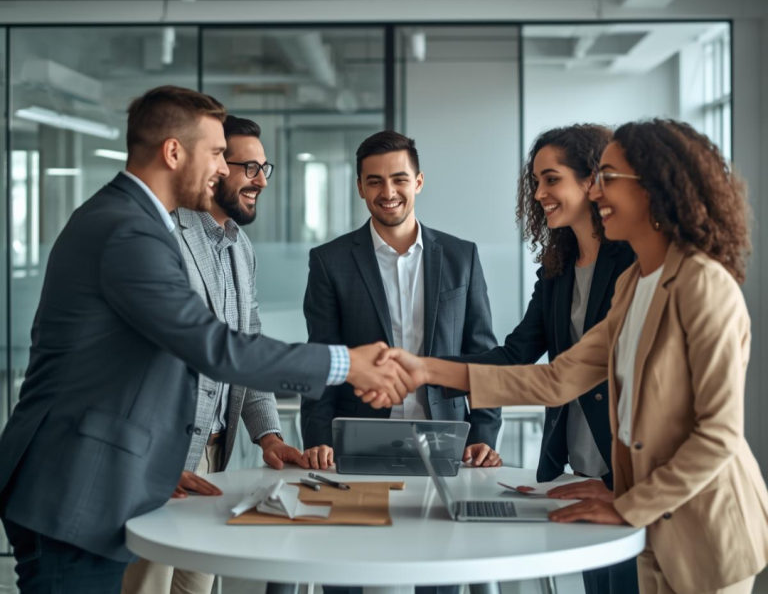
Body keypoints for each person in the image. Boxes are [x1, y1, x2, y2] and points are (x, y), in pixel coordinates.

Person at [0, 86, 414, 594]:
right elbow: (212, 346)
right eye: (218, 154)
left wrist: (262, 435)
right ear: (174, 152)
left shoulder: (142, 225)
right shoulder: (129, 232)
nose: (224, 169)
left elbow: (220, 342)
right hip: (78, 489)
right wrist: (345, 365)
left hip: (114, 475)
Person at [370, 120, 768, 594]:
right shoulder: (633, 285)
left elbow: (717, 437)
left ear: (654, 187)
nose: (598, 192)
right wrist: (423, 369)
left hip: (704, 530)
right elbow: (557, 379)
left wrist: (627, 503)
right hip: (645, 530)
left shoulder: (703, 284)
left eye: (608, 178)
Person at [122, 114, 318, 594]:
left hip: (212, 454)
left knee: (197, 586)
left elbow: (246, 346)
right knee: (148, 583)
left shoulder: (240, 247)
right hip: (164, 456)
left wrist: (269, 435)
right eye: (247, 167)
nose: (261, 180)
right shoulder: (168, 234)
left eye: (264, 167)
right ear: (215, 167)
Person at [453, 124, 637, 594]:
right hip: (579, 468)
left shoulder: (635, 264)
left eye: (550, 179)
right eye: (535, 182)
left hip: (630, 474)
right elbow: (516, 354)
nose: (538, 193)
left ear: (591, 179)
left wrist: (426, 372)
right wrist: (424, 371)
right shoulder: (556, 271)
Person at [301, 130, 501, 472]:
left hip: (448, 440)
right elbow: (323, 355)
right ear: (360, 187)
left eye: (399, 179)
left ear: (418, 182)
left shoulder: (461, 257)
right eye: (375, 181)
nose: (388, 192)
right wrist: (318, 438)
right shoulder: (329, 261)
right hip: (357, 439)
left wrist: (482, 433)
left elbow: (481, 353)